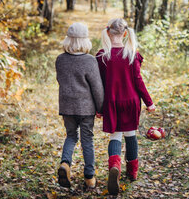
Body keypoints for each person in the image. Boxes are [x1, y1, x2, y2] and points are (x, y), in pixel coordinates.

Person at [96, 18, 156, 195]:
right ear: (124, 34)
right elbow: (138, 81)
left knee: (115, 135)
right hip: (130, 101)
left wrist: (99, 108)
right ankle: (132, 172)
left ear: (108, 33)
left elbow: (99, 85)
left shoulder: (102, 56)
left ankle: (115, 166)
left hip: (112, 102)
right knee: (130, 136)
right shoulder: (131, 54)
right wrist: (149, 102)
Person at [56, 22, 104, 189]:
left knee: (71, 136)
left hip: (67, 107)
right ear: (85, 41)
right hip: (86, 108)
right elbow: (97, 87)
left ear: (68, 40)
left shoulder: (60, 59)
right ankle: (89, 177)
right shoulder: (89, 61)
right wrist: (101, 108)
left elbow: (60, 80)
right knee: (87, 141)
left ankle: (65, 164)